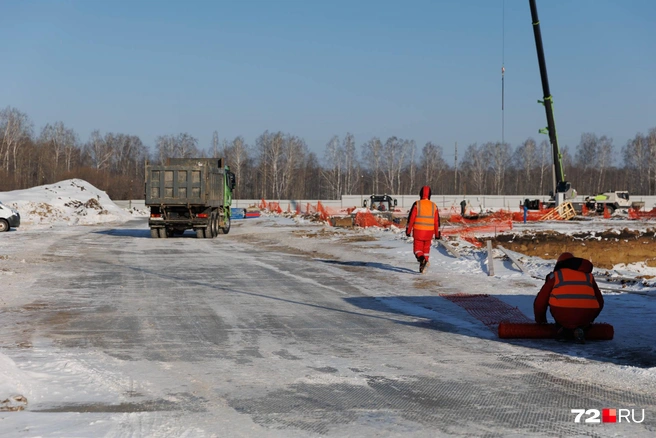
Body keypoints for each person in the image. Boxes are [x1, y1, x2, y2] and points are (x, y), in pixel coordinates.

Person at [533, 252, 604, 343]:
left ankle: (563, 329)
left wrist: (541, 322)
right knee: (582, 320)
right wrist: (589, 321)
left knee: (555, 301)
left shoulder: (556, 276)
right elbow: (600, 302)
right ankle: (581, 329)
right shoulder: (589, 276)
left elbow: (540, 303)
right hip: (586, 315)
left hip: (562, 314)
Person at [405, 186, 441, 273]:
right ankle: (423, 267)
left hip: (418, 231)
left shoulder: (417, 204)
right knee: (426, 250)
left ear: (420, 194)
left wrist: (408, 230)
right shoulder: (434, 206)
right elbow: (437, 222)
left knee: (417, 250)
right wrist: (437, 234)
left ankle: (423, 261)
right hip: (429, 232)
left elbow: (411, 219)